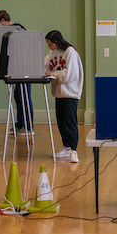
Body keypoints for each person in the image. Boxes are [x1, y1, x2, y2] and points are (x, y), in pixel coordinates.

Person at [44, 30, 84, 163]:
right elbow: (46, 63)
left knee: (70, 122)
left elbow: (69, 74)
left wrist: (52, 73)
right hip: (59, 93)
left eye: (50, 44)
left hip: (70, 93)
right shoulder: (53, 53)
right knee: (61, 122)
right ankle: (66, 148)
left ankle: (74, 150)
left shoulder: (70, 52)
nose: (49, 47)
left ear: (57, 42)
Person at [0, 10, 33, 133]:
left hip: (24, 69)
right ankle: (20, 124)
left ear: (3, 21)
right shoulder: (15, 30)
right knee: (18, 97)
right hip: (17, 69)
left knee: (24, 97)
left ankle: (28, 127)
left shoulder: (18, 30)